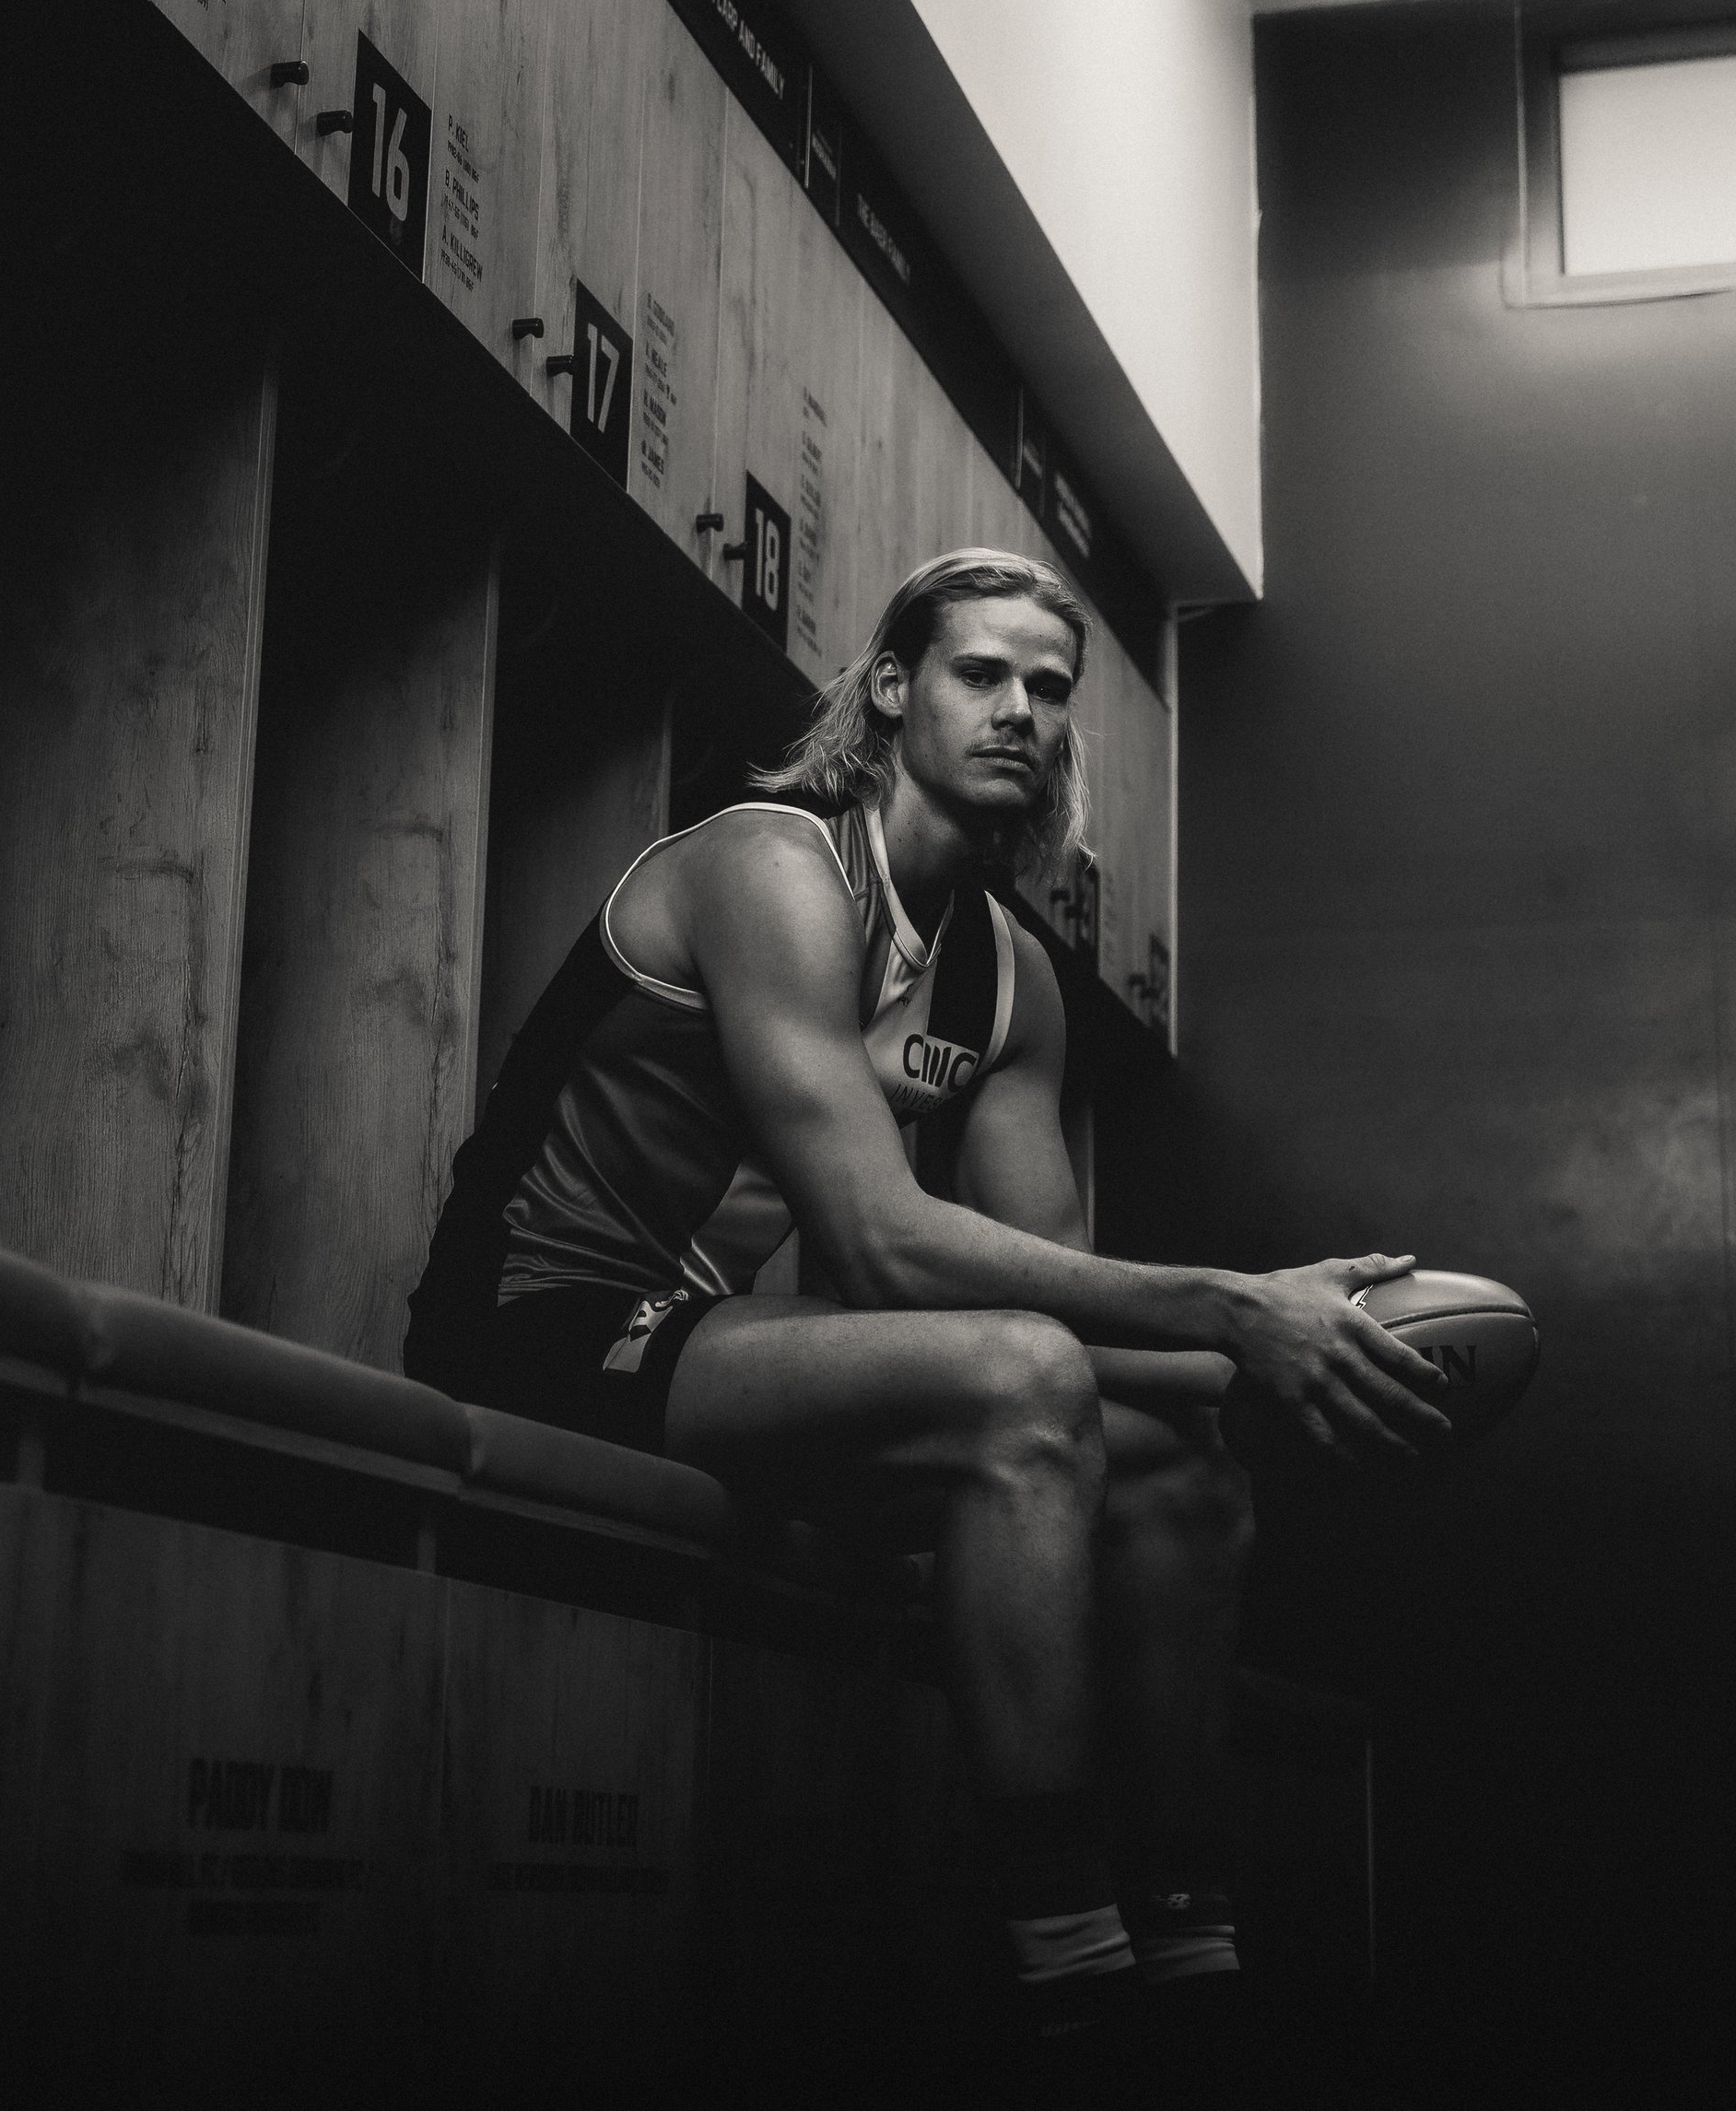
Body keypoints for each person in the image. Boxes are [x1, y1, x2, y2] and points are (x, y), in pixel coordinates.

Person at [406, 547, 1447, 2083]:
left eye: (1051, 687)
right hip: (542, 1320)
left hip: (706, 1343)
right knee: (1021, 1380)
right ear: (893, 690)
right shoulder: (770, 866)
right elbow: (882, 1247)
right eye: (981, 672)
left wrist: (1296, 1357)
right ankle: (1068, 1963)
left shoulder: (1008, 976)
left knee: (1181, 1463)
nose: (1022, 708)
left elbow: (1051, 1287)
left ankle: (1191, 1943)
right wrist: (1235, 1307)